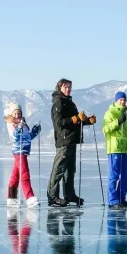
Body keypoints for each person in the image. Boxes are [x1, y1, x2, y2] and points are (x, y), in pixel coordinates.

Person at [48, 79, 96, 207]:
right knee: (59, 170)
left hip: (72, 141)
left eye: (69, 87)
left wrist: (87, 121)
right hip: (64, 141)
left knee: (70, 171)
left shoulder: (70, 103)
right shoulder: (58, 103)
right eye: (65, 87)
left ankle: (69, 195)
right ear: (59, 88)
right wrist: (75, 118)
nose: (68, 89)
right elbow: (59, 123)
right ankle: (52, 196)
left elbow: (76, 121)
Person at [5, 104, 41, 208]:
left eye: (19, 113)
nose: (17, 115)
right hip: (18, 151)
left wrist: (35, 132)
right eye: (15, 113)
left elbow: (27, 137)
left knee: (15, 176)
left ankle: (11, 198)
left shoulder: (23, 124)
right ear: (12, 114)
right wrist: (18, 128)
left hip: (23, 151)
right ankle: (29, 197)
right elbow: (15, 137)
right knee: (25, 175)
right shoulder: (11, 124)